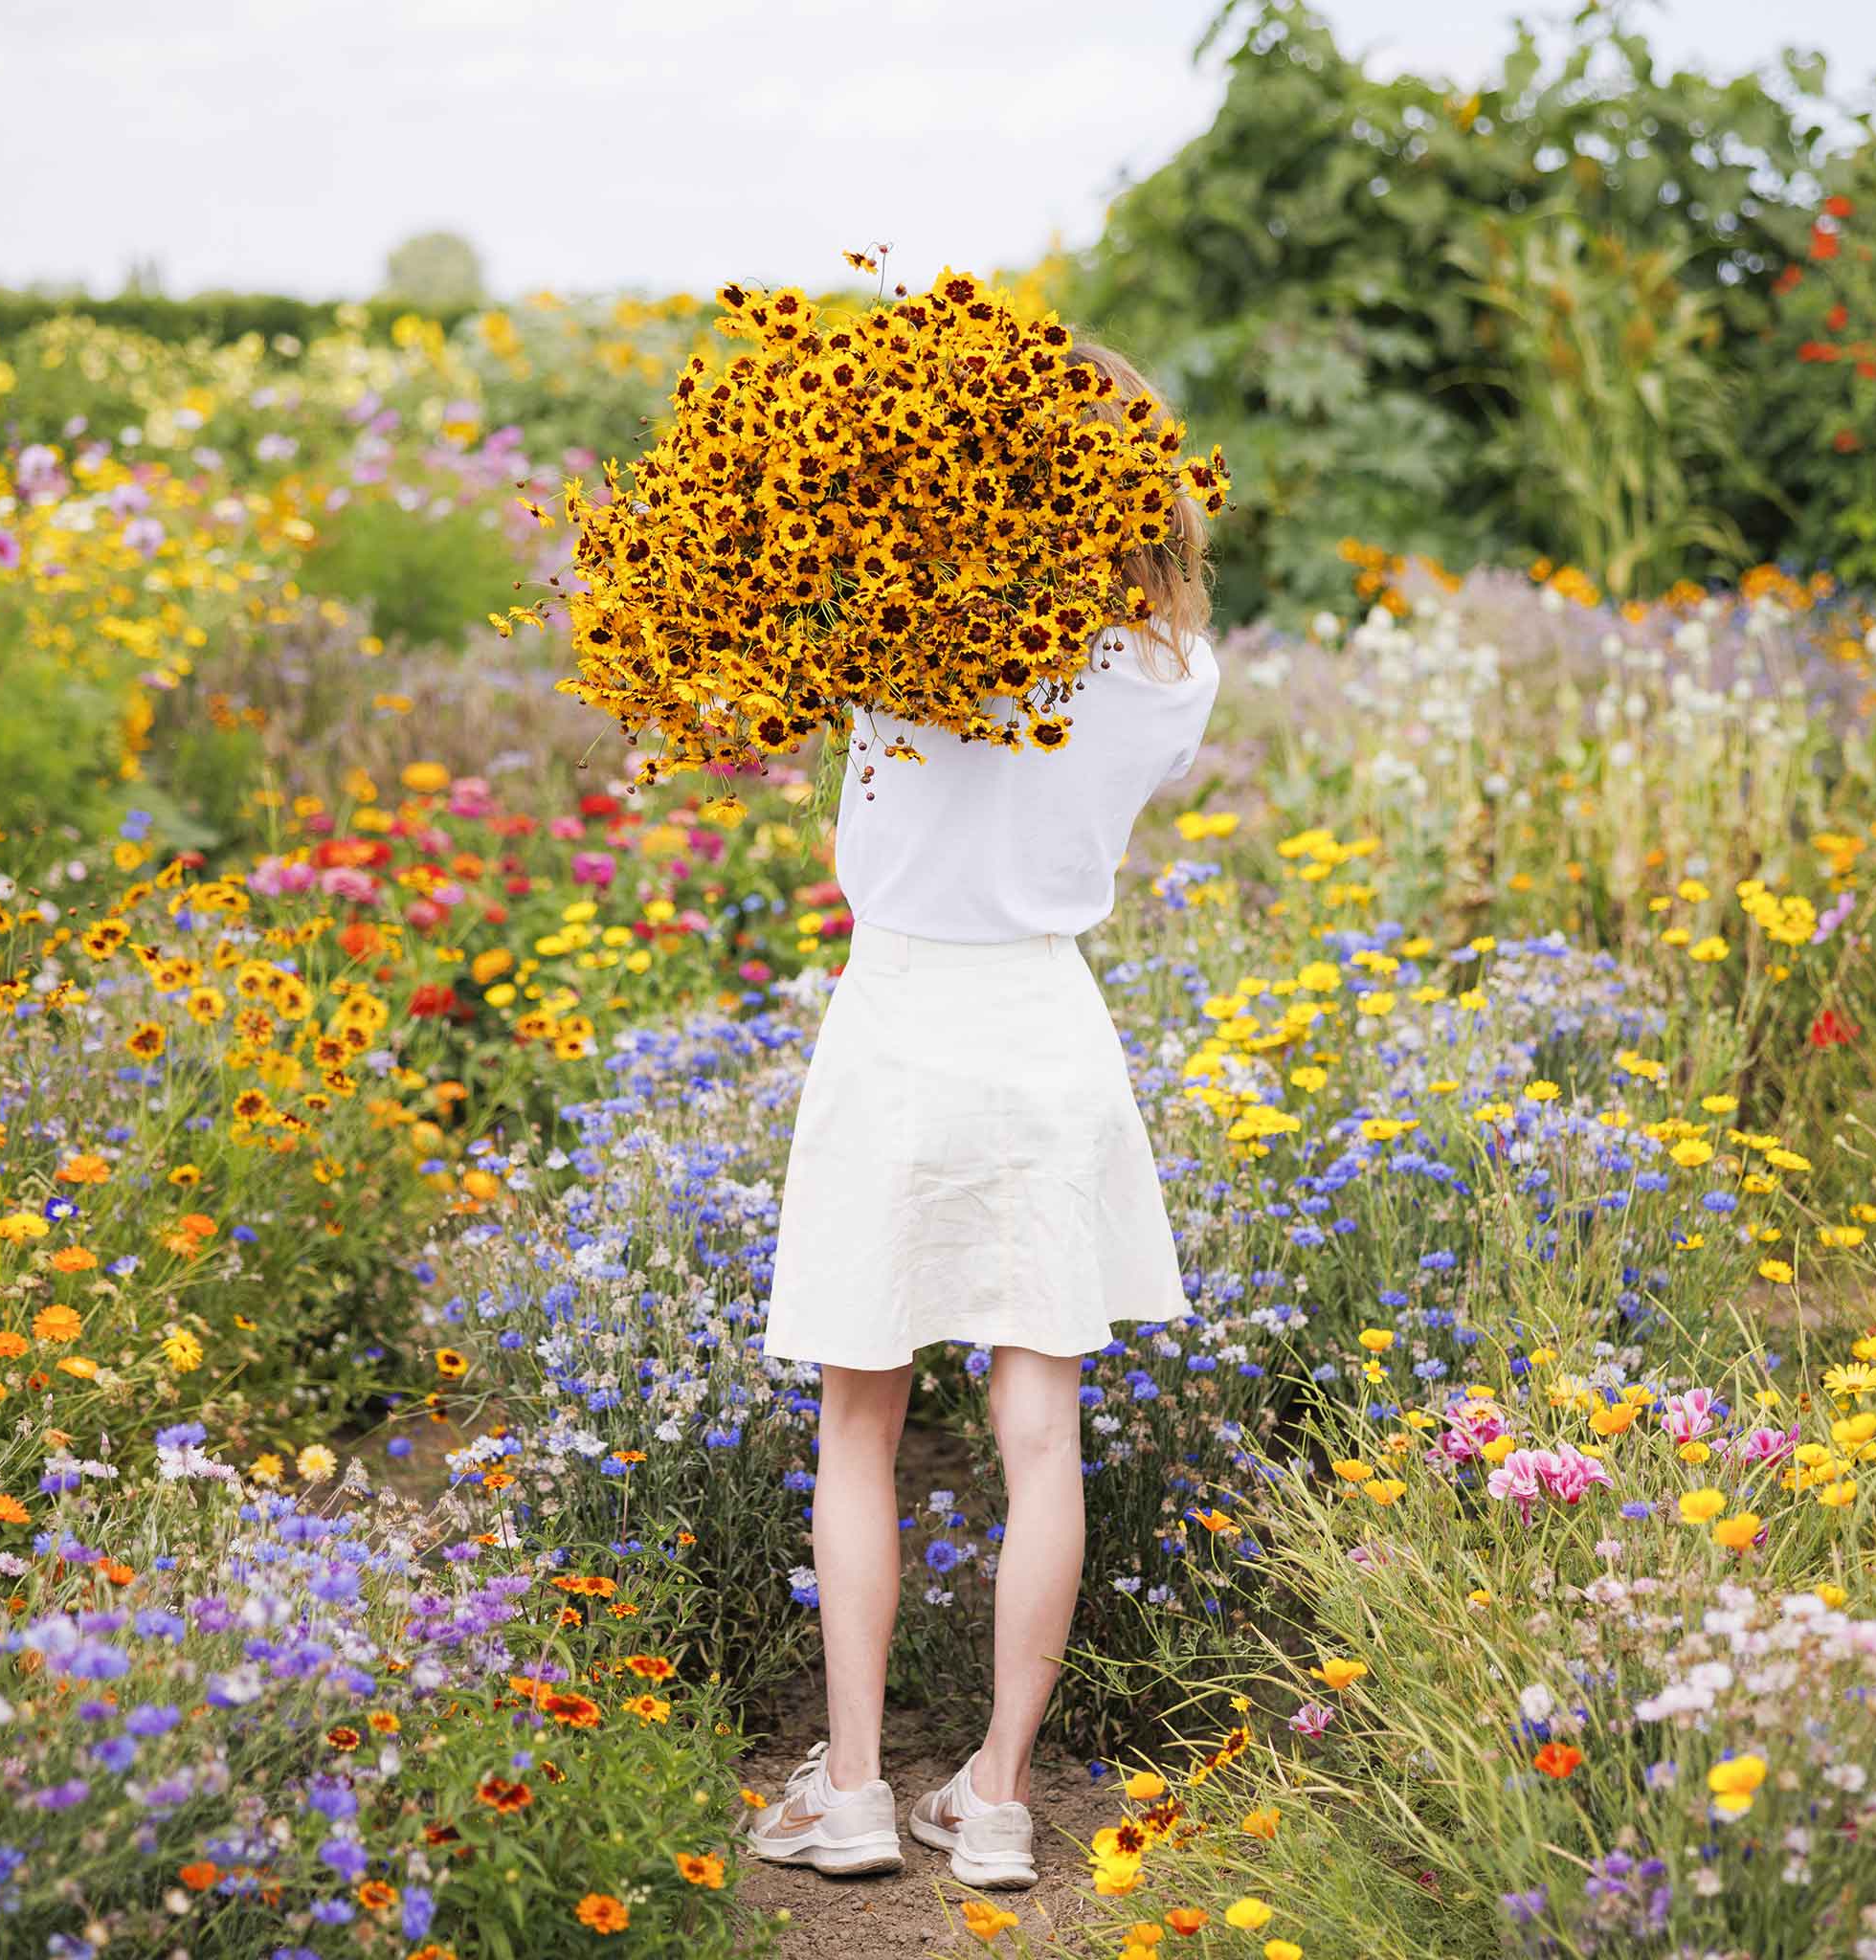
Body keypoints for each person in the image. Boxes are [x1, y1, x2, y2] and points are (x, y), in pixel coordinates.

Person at [742, 337, 1221, 1887]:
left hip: (897, 1024)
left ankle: (859, 1792)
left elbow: (774, 654)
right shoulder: (1170, 674)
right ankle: (999, 1798)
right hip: (1046, 1029)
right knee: (1038, 1433)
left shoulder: (891, 633)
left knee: (861, 1417)